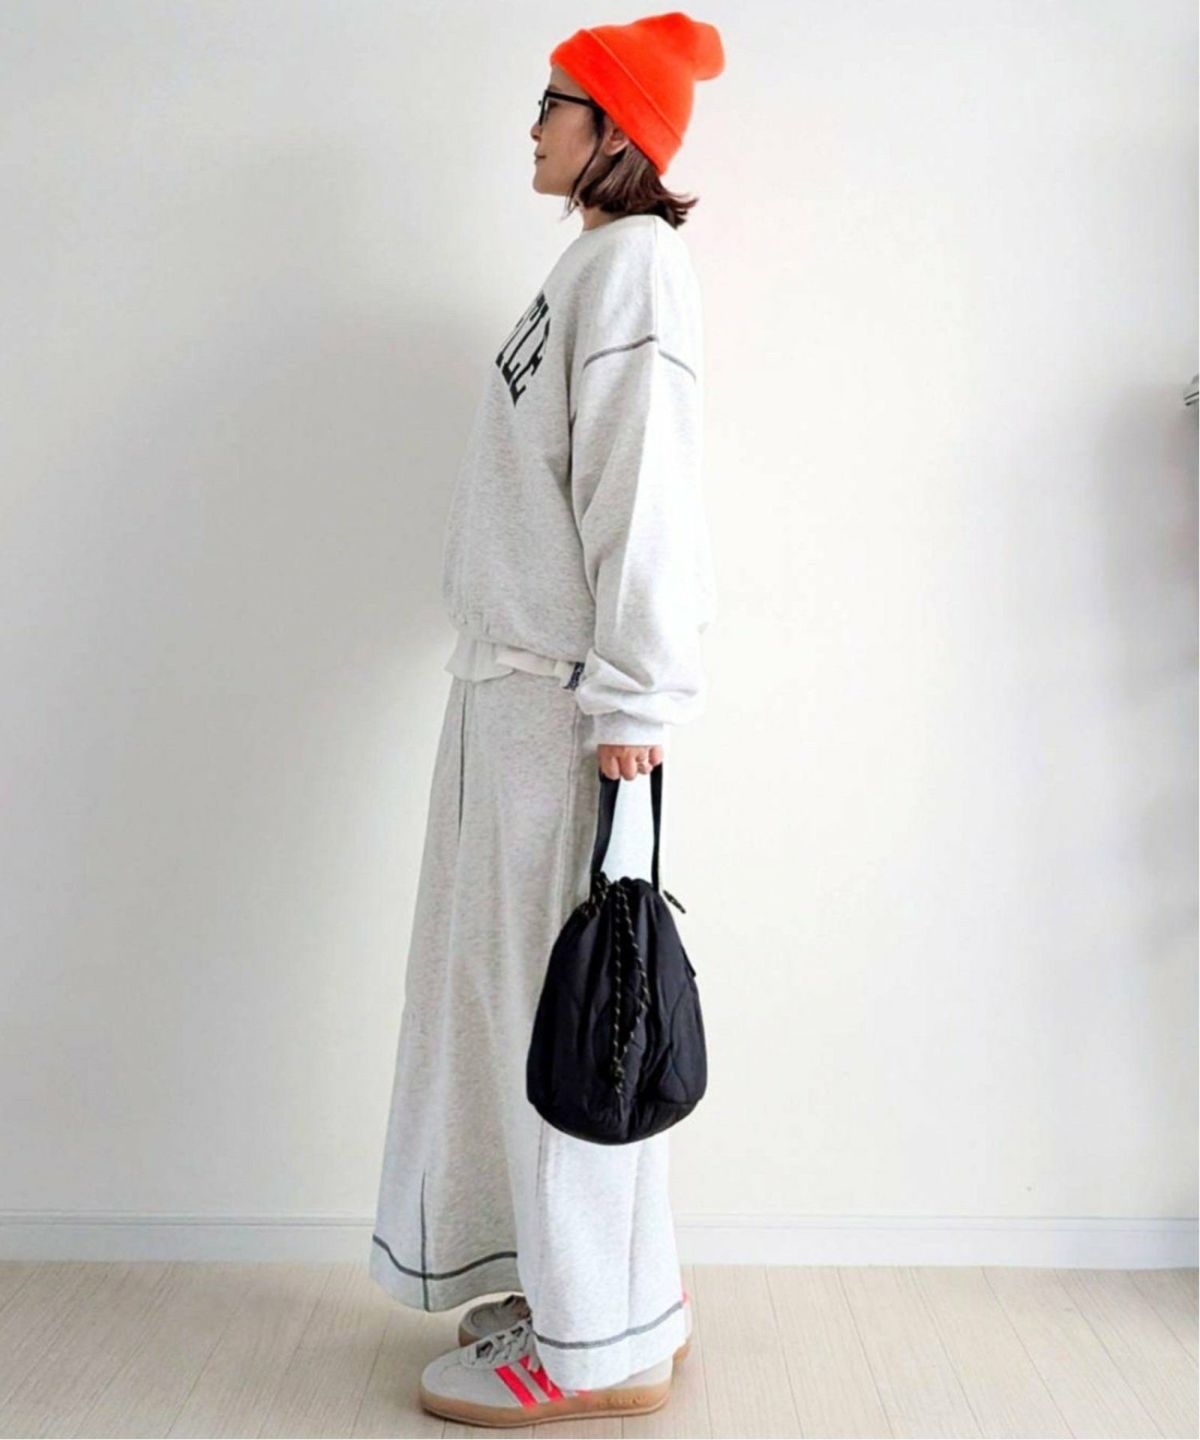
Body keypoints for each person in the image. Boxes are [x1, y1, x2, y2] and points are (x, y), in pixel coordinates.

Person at [368, 11, 724, 1427]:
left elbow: (645, 492)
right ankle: (613, 1302)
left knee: (570, 1022)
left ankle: (590, 1350)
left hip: (570, 709)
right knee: (534, 1013)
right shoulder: (590, 263)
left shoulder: (636, 268)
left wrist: (633, 698)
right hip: (515, 699)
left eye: (553, 102)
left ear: (610, 127)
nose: (532, 124)